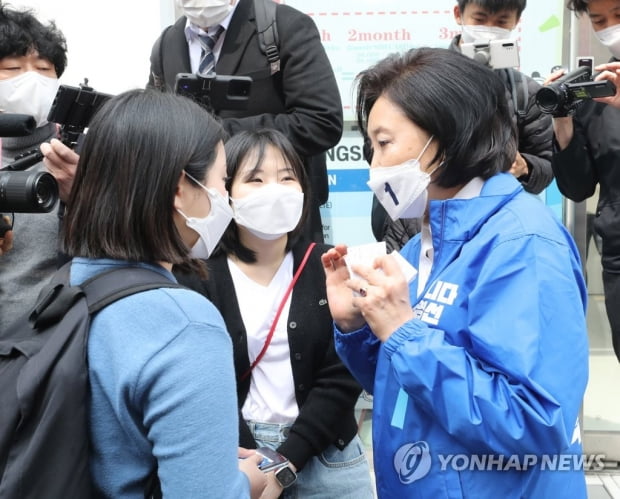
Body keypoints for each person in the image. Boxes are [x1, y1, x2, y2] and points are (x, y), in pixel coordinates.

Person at [321, 47, 589, 498]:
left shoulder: (523, 242)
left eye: (384, 143)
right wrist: (358, 327)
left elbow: (535, 426)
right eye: (371, 146)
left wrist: (404, 332)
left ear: (447, 137)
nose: (375, 164)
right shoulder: (422, 242)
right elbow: (407, 387)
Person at [62, 88, 267, 498]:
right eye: (221, 181)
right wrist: (252, 481)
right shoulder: (184, 323)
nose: (224, 198)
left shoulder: (68, 286)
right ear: (179, 188)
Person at [176, 129, 374, 499]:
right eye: (255, 179)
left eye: (287, 177)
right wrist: (255, 460)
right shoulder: (197, 274)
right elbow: (201, 382)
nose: (275, 190)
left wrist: (288, 459)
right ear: (226, 192)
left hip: (329, 452)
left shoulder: (329, 264)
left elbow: (343, 375)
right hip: (237, 456)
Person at [147, 0, 343, 244]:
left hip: (276, 230)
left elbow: (321, 121)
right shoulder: (168, 43)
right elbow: (157, 129)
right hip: (195, 233)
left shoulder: (283, 26)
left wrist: (214, 135)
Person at [371, 0, 554, 252]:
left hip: (487, 227)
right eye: (480, 19)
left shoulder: (526, 93)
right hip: (415, 224)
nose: (489, 29)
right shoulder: (423, 79)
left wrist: (524, 167)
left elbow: (544, 166)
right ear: (459, 14)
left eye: (501, 21)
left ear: (516, 21)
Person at [549, 0, 620, 363]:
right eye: (598, 21)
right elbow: (578, 188)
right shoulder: (601, 87)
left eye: (618, 15)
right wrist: (562, 122)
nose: (609, 28)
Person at [0, 3, 68, 329]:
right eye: (13, 69)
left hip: (57, 341)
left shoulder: (80, 157)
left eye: (43, 69)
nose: (30, 79)